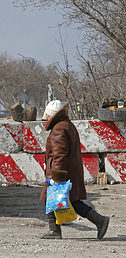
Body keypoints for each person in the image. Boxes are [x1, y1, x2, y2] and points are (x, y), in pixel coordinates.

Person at [40, 100, 110, 239]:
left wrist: (57, 177)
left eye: (48, 116)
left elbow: (59, 154)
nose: (46, 118)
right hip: (70, 171)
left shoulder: (59, 129)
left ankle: (98, 220)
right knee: (69, 201)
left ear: (51, 115)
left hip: (61, 173)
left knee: (52, 199)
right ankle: (97, 220)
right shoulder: (67, 125)